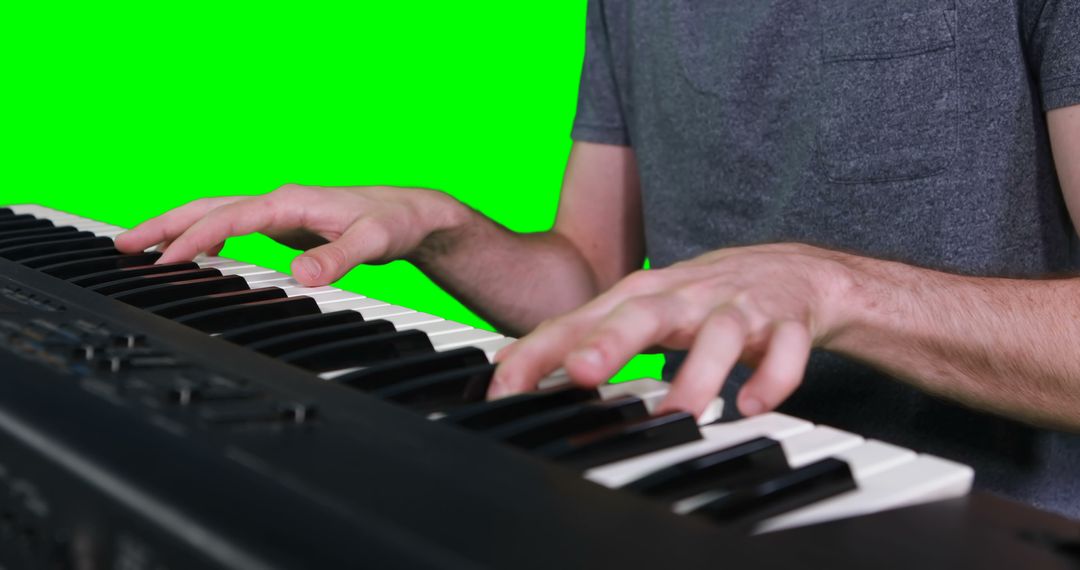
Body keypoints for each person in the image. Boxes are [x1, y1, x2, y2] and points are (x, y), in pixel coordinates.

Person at [117, 1, 1080, 518]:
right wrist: (440, 225)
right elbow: (594, 282)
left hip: (978, 523)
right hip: (712, 490)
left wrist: (831, 287)